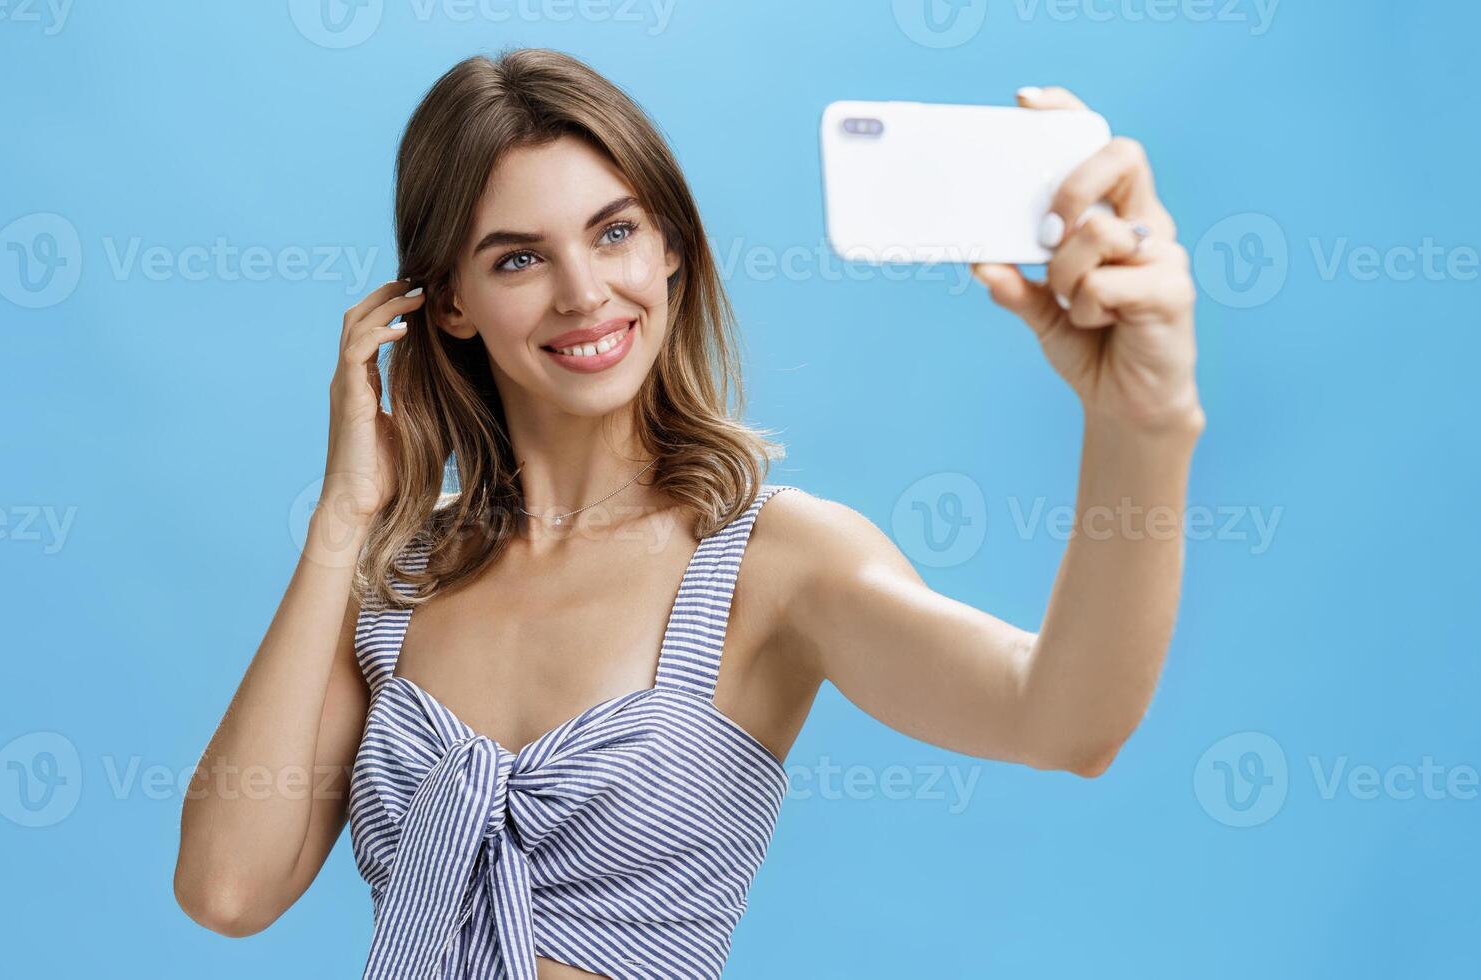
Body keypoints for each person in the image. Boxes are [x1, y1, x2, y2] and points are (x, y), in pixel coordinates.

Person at [177, 48, 1202, 980]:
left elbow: (1063, 718)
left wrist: (1142, 426)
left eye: (614, 230)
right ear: (448, 303)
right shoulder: (397, 579)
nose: (584, 292)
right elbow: (227, 889)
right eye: (517, 257)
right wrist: (346, 514)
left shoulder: (774, 561)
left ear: (669, 246)